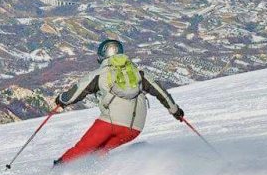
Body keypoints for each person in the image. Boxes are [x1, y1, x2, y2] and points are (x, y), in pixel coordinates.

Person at [54, 39, 184, 164]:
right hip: (134, 128)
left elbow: (74, 94)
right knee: (97, 153)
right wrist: (175, 111)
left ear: (101, 56)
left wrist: (61, 100)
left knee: (81, 150)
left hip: (109, 124)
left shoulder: (100, 74)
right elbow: (162, 93)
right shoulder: (139, 73)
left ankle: (56, 172)